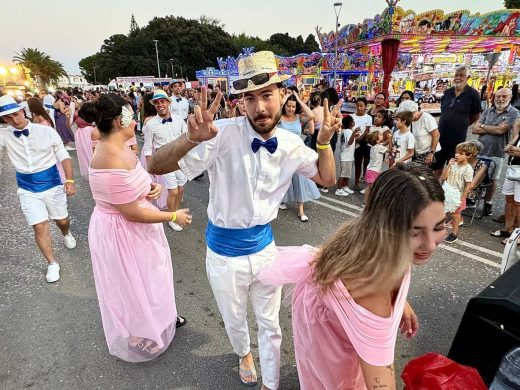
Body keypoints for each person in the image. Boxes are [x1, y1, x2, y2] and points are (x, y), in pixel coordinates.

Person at [147, 50, 341, 390]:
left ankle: (271, 382)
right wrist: (190, 138)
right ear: (241, 102)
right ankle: (243, 353)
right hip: (223, 254)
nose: (260, 107)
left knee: (271, 325)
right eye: (250, 98)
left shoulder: (293, 144)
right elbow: (156, 166)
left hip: (266, 250)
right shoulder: (218, 133)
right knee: (235, 319)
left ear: (283, 95)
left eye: (267, 95)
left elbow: (326, 179)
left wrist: (323, 143)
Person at [256, 163, 446, 389]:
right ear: (385, 227)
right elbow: (380, 384)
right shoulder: (374, 289)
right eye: (415, 232)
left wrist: (400, 302)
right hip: (330, 334)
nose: (431, 244)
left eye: (439, 227)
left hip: (323, 311)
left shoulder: (375, 238)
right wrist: (385, 309)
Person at [87, 93, 191, 362]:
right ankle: (141, 331)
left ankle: (162, 318)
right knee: (134, 284)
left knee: (154, 277)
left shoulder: (122, 144)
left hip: (138, 229)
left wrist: (150, 187)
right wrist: (172, 216)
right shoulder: (109, 156)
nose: (138, 122)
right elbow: (131, 213)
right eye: (133, 116)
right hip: (123, 233)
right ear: (122, 121)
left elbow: (136, 180)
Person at [0, 95, 77, 283]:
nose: (14, 119)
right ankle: (52, 263)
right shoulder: (4, 135)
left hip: (51, 184)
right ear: (4, 119)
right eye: (8, 117)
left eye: (16, 114)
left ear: (23, 111)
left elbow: (63, 156)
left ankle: (66, 233)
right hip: (26, 188)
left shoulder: (46, 132)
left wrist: (69, 180)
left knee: (62, 220)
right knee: (39, 226)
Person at [142, 90, 188, 232]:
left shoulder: (179, 119)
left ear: (168, 102)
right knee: (173, 192)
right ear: (154, 105)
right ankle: (171, 218)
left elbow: (186, 137)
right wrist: (152, 168)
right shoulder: (151, 124)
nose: (160, 104)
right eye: (156, 102)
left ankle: (175, 211)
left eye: (162, 101)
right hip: (164, 163)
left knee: (181, 189)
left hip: (180, 161)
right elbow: (148, 148)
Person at [472, 87, 519, 217]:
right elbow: (474, 129)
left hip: (496, 152)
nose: (500, 99)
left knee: (492, 179)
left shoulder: (513, 113)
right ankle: (473, 199)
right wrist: (492, 128)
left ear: (510, 98)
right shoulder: (488, 110)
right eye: (498, 96)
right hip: (480, 149)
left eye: (504, 96)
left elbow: (501, 131)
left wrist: (483, 127)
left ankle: (488, 202)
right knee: (475, 175)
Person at [432, 65, 481, 174]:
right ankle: (435, 189)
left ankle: (447, 188)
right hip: (441, 136)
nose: (458, 78)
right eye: (456, 75)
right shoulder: (447, 92)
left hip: (457, 139)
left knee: (453, 166)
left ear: (467, 77)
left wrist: (462, 123)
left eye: (461, 75)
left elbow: (476, 115)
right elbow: (443, 110)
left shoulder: (473, 94)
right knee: (436, 166)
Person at [278, 91, 318, 221]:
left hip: (298, 153)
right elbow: (274, 112)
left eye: (293, 106)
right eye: (288, 106)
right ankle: (281, 201)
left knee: (300, 179)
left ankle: (301, 210)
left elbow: (311, 115)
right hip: (283, 154)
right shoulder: (279, 117)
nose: (291, 109)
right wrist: (283, 99)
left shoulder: (298, 117)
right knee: (284, 179)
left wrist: (299, 101)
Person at [441, 142, 474, 243]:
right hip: (447, 191)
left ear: (468, 155)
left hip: (457, 195)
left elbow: (468, 185)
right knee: (443, 211)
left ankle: (454, 234)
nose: (457, 155)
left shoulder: (468, 169)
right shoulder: (453, 164)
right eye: (456, 152)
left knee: (455, 215)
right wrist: (449, 166)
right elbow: (443, 177)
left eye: (461, 153)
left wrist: (462, 198)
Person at [397, 100, 440, 166]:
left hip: (430, 153)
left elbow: (436, 135)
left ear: (412, 113)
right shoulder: (409, 121)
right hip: (417, 154)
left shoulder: (426, 118)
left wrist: (431, 153)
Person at [364, 130, 391, 205]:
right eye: (380, 135)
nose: (382, 134)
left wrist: (387, 140)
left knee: (368, 187)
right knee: (374, 188)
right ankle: (372, 203)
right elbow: (390, 150)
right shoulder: (379, 147)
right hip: (374, 171)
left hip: (370, 169)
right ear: (377, 140)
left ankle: (365, 202)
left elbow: (384, 143)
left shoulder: (374, 146)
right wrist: (390, 139)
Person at [352, 97, 373, 191]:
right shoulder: (352, 116)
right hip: (355, 142)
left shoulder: (368, 117)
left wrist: (360, 137)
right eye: (358, 106)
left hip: (365, 142)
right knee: (357, 163)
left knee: (366, 163)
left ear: (365, 106)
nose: (359, 108)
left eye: (361, 106)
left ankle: (365, 182)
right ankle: (356, 183)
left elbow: (367, 130)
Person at [335, 115, 358, 197]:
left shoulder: (346, 131)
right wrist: (354, 133)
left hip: (348, 156)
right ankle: (339, 189)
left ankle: (345, 186)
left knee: (348, 173)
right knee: (343, 174)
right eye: (353, 121)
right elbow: (349, 143)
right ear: (351, 123)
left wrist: (354, 136)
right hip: (346, 157)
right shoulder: (349, 131)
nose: (354, 122)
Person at [75, 102, 96, 178]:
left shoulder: (80, 124)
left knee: (86, 155)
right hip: (87, 134)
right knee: (90, 154)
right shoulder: (90, 129)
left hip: (81, 135)